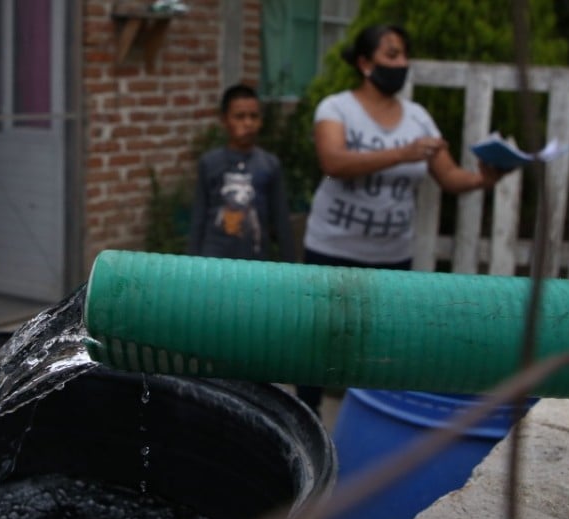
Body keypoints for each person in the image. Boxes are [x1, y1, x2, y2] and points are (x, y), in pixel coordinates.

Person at [295, 24, 505, 413]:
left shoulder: (418, 118)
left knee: (382, 351)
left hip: (391, 256)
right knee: (317, 345)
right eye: (392, 55)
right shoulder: (336, 108)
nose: (402, 63)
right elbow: (333, 162)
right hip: (332, 250)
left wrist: (483, 179)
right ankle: (305, 422)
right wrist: (401, 154)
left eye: (405, 55)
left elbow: (449, 177)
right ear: (365, 63)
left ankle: (371, 423)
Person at [187, 83, 296, 262]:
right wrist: (192, 263)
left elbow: (281, 219)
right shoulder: (210, 163)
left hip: (254, 259)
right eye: (240, 116)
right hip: (215, 259)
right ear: (224, 120)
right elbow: (199, 217)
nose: (248, 123)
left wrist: (290, 265)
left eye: (254, 116)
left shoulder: (269, 165)